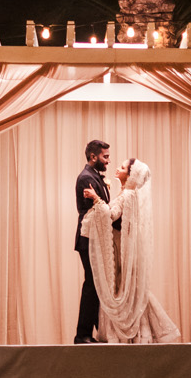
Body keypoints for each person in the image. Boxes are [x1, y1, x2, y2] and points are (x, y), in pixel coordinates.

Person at [79, 156, 182, 344]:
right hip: (121, 248)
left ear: (131, 174)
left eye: (123, 167)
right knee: (129, 291)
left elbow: (111, 215)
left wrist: (96, 199)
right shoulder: (129, 194)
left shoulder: (128, 195)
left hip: (120, 251)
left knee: (122, 291)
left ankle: (132, 333)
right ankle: (136, 333)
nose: (117, 168)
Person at [73, 139, 114, 343]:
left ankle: (97, 331)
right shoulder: (85, 178)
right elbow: (96, 212)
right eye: (105, 156)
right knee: (91, 284)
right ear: (93, 157)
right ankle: (82, 335)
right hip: (89, 239)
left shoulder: (95, 176)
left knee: (96, 285)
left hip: (97, 239)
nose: (108, 160)